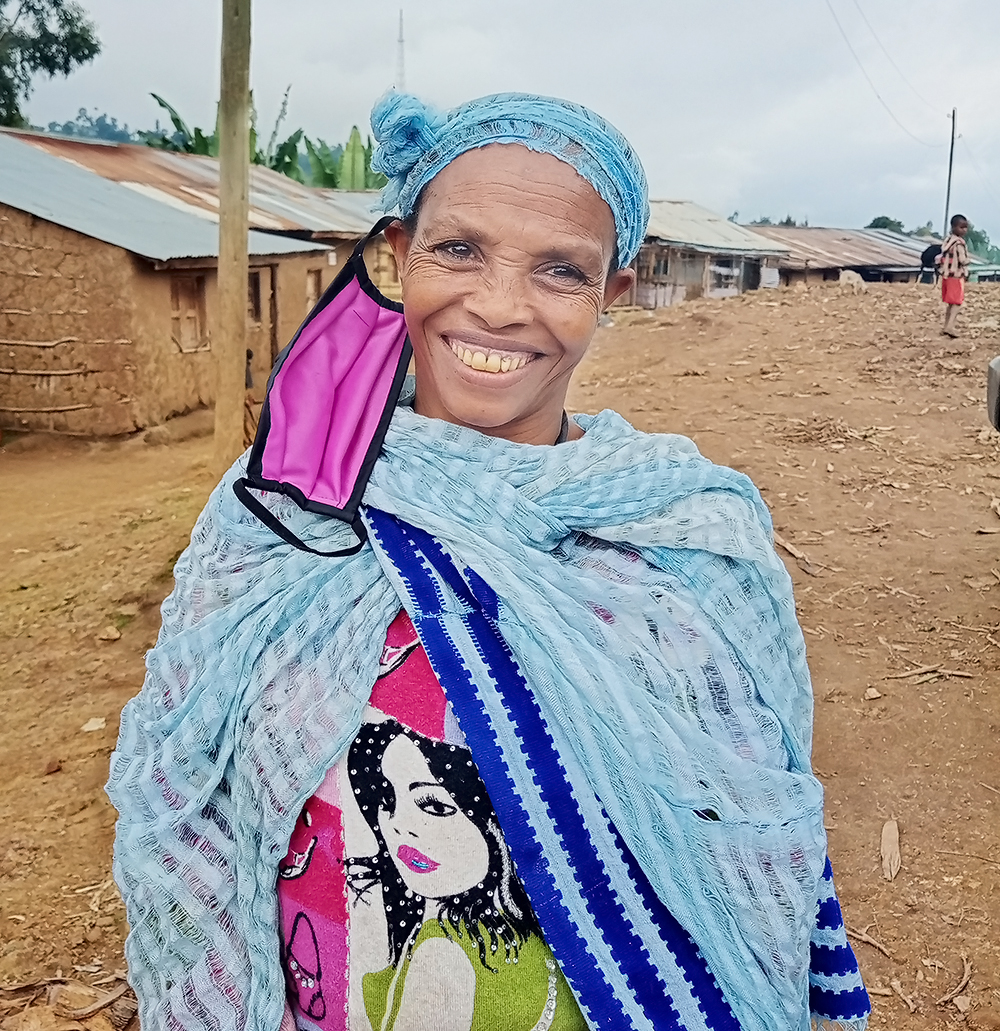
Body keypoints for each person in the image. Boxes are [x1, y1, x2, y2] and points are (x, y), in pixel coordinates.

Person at [107, 91, 870, 1031]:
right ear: (399, 255)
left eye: (560, 270)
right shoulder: (288, 509)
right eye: (459, 250)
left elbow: (757, 840)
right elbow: (185, 795)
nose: (501, 307)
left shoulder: (684, 536)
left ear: (610, 296)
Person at [938, 213, 971, 337]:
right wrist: (969, 260)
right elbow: (963, 260)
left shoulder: (947, 241)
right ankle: (950, 327)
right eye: (961, 227)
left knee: (950, 303)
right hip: (956, 276)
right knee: (957, 303)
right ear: (954, 227)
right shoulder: (959, 243)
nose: (964, 230)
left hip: (947, 275)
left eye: (965, 227)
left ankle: (946, 326)